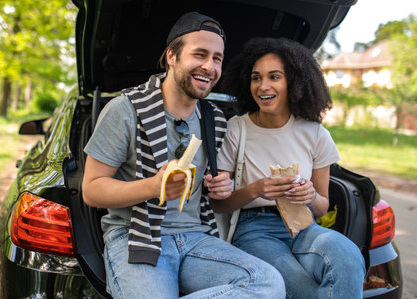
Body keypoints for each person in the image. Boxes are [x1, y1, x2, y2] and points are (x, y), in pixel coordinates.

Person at [82, 12, 285, 299]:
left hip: (197, 239)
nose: (209, 66)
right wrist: (154, 186)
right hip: (135, 236)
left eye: (217, 58)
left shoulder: (214, 119)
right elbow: (91, 190)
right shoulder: (124, 109)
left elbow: (217, 202)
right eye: (199, 54)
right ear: (172, 57)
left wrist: (222, 189)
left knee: (268, 283)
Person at [211, 37, 366, 299]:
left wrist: (311, 196)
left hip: (305, 226)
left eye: (274, 77)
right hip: (255, 230)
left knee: (349, 256)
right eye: (256, 78)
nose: (263, 86)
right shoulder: (238, 128)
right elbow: (219, 204)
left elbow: (322, 206)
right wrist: (256, 189)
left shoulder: (315, 134)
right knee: (303, 290)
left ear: (293, 82)